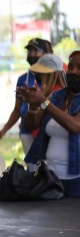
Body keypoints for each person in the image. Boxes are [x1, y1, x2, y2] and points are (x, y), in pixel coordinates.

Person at [23, 50, 80, 197]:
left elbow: (75, 126)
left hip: (76, 180)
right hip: (49, 178)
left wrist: (43, 101)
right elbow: (32, 124)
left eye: (79, 68)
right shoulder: (57, 96)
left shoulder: (49, 100)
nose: (73, 72)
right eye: (71, 67)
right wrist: (33, 106)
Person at [0, 38, 52, 154]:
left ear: (46, 55)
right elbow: (17, 110)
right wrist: (4, 130)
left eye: (35, 52)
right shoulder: (23, 79)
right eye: (29, 51)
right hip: (26, 131)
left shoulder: (53, 77)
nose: (31, 55)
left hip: (46, 131)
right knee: (31, 168)